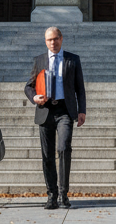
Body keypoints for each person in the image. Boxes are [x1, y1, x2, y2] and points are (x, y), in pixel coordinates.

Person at [24, 26, 86, 210]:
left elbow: (80, 88)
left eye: (56, 39)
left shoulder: (72, 60)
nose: (53, 42)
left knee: (64, 148)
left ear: (61, 38)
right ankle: (51, 195)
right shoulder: (39, 60)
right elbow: (29, 86)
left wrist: (82, 110)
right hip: (45, 111)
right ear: (45, 41)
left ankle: (63, 193)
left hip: (65, 111)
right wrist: (34, 97)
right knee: (47, 154)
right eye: (49, 40)